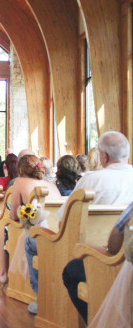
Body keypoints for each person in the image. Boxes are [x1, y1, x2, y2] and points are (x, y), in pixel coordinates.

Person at [26, 132, 133, 315]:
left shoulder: (91, 180)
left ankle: (46, 300)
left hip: (90, 251)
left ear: (104, 156)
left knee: (35, 242)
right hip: (127, 253)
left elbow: (62, 223)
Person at [0, 154, 61, 287]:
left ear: (21, 170)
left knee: (5, 226)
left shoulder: (20, 182)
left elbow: (13, 216)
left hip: (37, 234)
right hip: (57, 233)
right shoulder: (51, 185)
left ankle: (3, 272)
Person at [62, 201, 133, 324]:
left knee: (71, 270)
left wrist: (105, 249)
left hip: (127, 277)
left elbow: (114, 245)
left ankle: (96, 327)